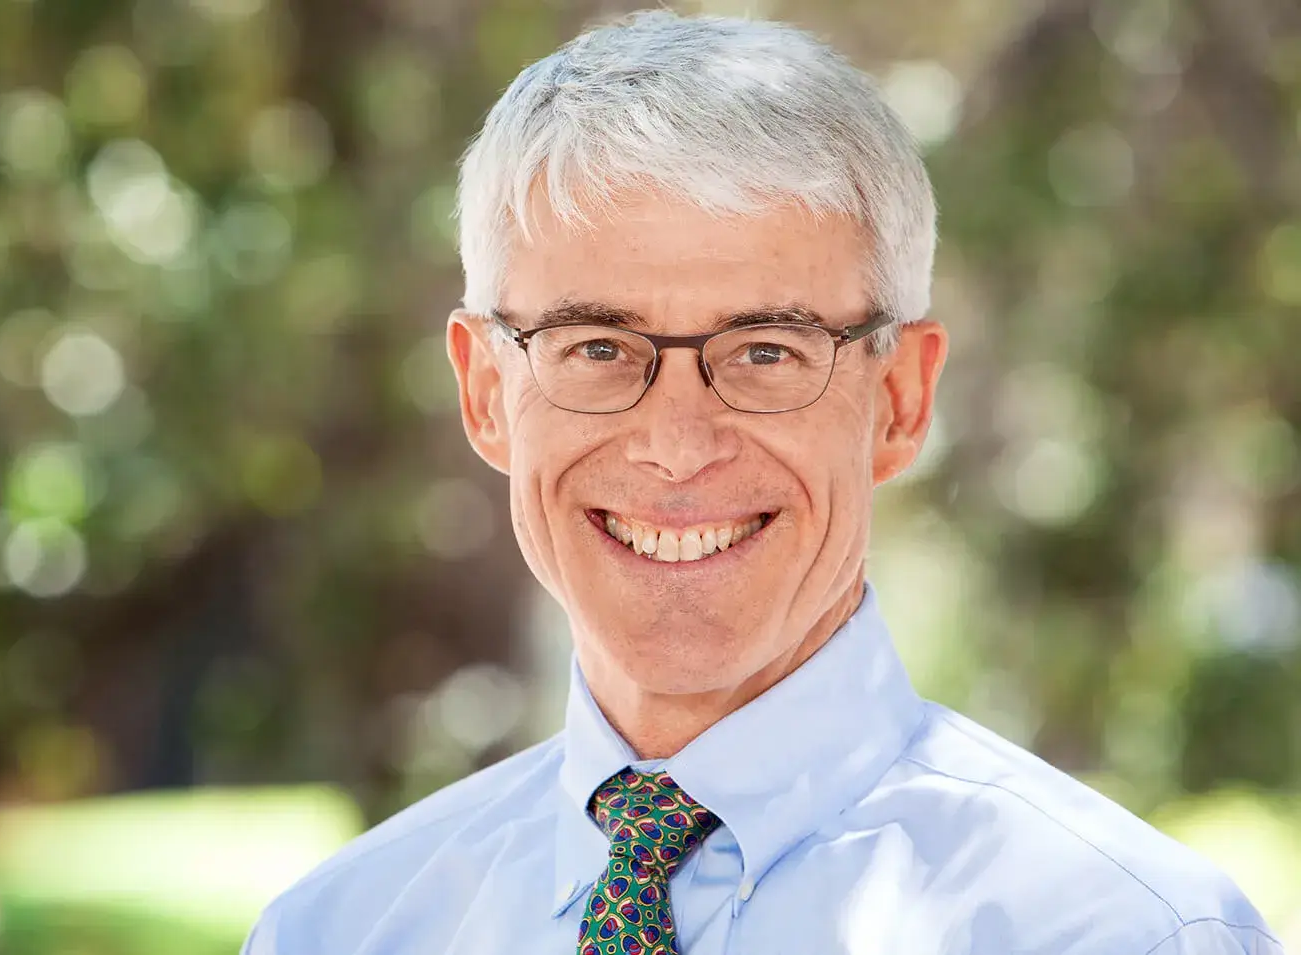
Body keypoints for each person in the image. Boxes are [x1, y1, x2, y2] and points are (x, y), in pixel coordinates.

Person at [240, 10, 1283, 955]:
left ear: (900, 398)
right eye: (597, 345)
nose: (678, 444)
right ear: (484, 392)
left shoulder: (1122, 932)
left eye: (767, 350)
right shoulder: (339, 929)